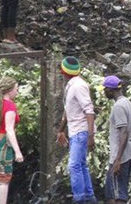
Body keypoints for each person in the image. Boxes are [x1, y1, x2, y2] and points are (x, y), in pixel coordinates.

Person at [56, 57, 96, 204]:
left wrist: (91, 136)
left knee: (73, 165)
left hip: (81, 131)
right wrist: (61, 130)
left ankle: (79, 199)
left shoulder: (79, 86)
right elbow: (68, 110)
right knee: (81, 164)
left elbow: (89, 111)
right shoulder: (70, 86)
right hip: (75, 131)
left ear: (64, 72)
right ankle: (89, 197)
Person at [102, 76, 131, 204]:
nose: (104, 91)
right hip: (129, 153)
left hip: (121, 155)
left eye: (105, 89)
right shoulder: (127, 102)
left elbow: (124, 131)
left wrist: (118, 160)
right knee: (118, 191)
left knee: (115, 194)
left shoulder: (118, 107)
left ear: (111, 90)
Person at [0, 77, 23, 204]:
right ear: (9, 91)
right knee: (3, 179)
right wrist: (17, 151)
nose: (17, 92)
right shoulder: (9, 106)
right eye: (16, 89)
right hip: (2, 144)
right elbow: (9, 130)